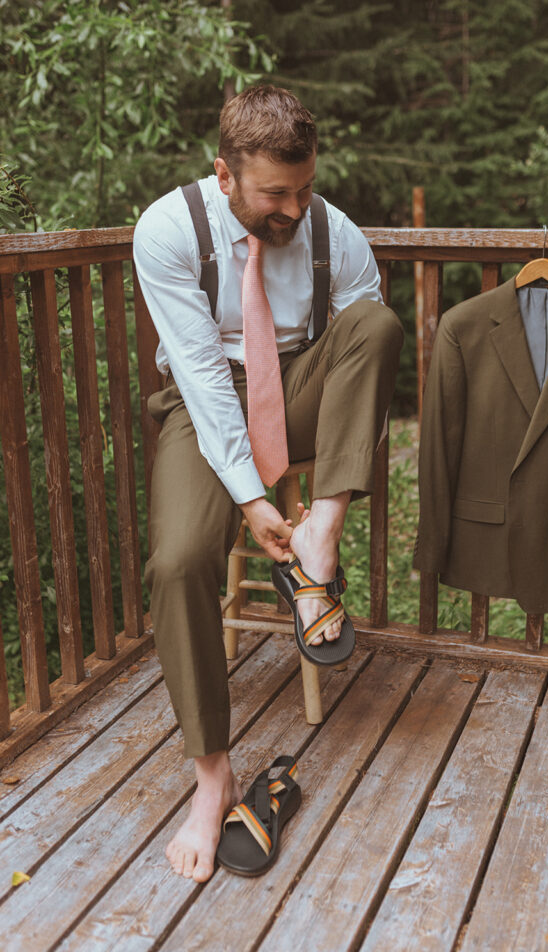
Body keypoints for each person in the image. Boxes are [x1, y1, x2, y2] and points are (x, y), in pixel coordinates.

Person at [133, 85, 403, 882]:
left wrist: (308, 504)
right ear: (224, 174)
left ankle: (321, 531)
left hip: (302, 388)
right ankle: (211, 773)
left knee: (378, 321)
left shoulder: (335, 233)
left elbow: (365, 355)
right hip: (205, 390)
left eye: (304, 187)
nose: (292, 208)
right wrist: (250, 499)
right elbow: (203, 376)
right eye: (273, 193)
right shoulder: (167, 230)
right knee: (178, 561)